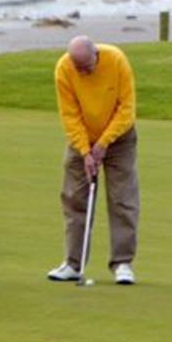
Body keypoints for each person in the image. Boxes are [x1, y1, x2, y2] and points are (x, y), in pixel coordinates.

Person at [46, 35, 139, 285]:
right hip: (82, 139)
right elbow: (69, 114)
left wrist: (103, 143)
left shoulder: (116, 60)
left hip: (120, 139)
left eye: (86, 67)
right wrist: (86, 151)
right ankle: (73, 264)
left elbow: (127, 109)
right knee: (74, 198)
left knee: (122, 199)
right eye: (78, 68)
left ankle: (122, 263)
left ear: (95, 54)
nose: (83, 73)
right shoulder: (64, 68)